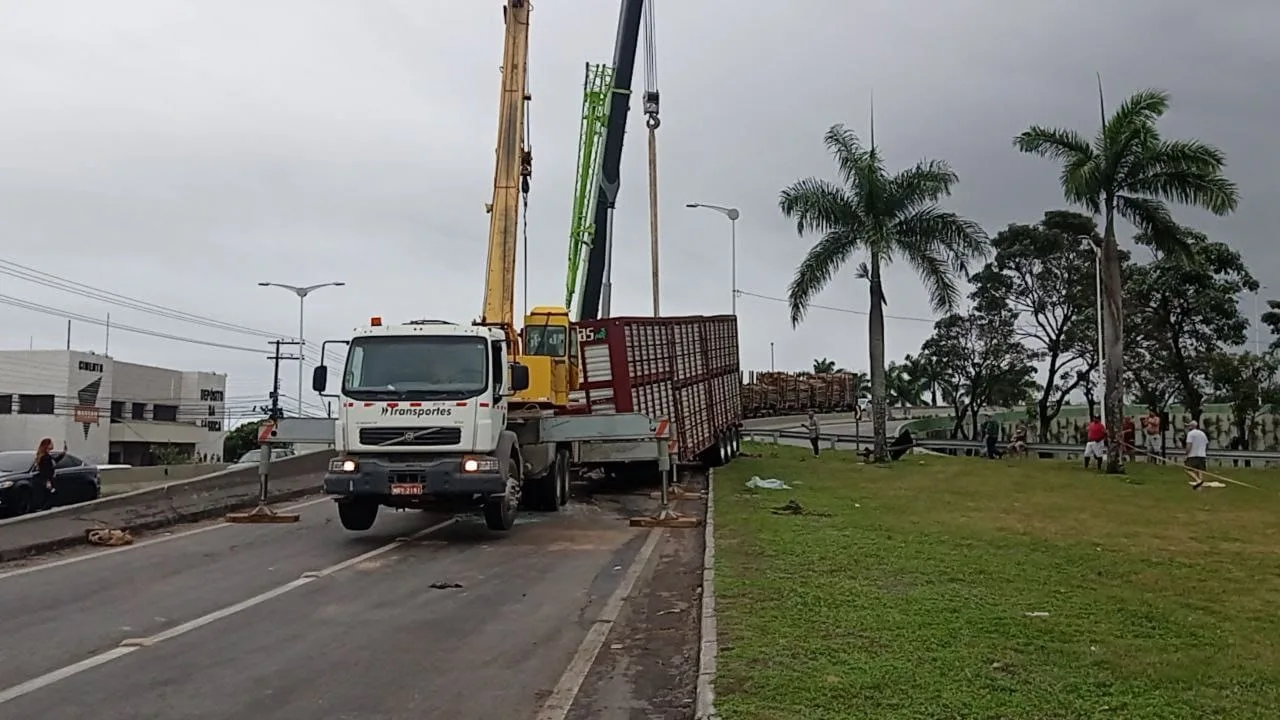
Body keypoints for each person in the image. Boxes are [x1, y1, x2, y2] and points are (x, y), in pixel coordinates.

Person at [30, 437, 67, 513]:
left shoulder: (47, 456)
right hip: (47, 479)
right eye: (51, 443)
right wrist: (48, 481)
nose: (53, 444)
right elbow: (45, 470)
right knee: (50, 494)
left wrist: (63, 453)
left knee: (51, 494)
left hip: (49, 478)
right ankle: (44, 510)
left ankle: (46, 509)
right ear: (46, 445)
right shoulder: (44, 457)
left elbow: (54, 461)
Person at [1185, 420, 1209, 489]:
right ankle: (1201, 483)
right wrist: (1204, 451)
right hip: (1202, 454)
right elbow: (1206, 443)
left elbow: (1189, 444)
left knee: (1188, 469)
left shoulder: (1190, 434)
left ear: (1191, 426)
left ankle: (1198, 480)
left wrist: (1187, 452)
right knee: (1200, 469)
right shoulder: (1202, 433)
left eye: (1189, 426)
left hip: (1193, 454)